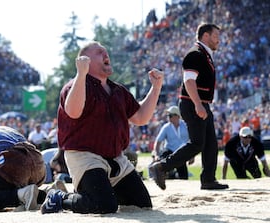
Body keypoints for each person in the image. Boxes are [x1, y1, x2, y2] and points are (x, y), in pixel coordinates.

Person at [40, 41, 164, 214]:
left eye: (106, 52)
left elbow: (141, 117)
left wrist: (156, 88)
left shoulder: (118, 90)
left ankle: (95, 191)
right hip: (85, 156)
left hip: (116, 157)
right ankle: (60, 197)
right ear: (85, 60)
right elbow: (73, 112)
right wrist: (81, 74)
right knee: (104, 205)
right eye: (99, 52)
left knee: (141, 205)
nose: (106, 56)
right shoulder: (74, 86)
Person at [149, 23, 229, 190]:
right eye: (216, 36)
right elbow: (189, 81)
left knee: (210, 144)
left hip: (199, 103)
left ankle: (208, 179)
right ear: (205, 36)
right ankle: (162, 167)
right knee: (197, 143)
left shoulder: (203, 55)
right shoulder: (195, 54)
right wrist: (198, 105)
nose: (219, 40)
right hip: (193, 103)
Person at [151, 106, 193, 179]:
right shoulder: (166, 127)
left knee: (184, 176)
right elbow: (158, 141)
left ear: (177, 116)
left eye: (170, 115)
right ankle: (159, 174)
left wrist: (192, 156)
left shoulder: (185, 125)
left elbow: (192, 140)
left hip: (181, 153)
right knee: (162, 159)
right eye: (168, 116)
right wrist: (156, 154)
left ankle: (172, 175)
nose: (168, 118)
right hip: (169, 151)